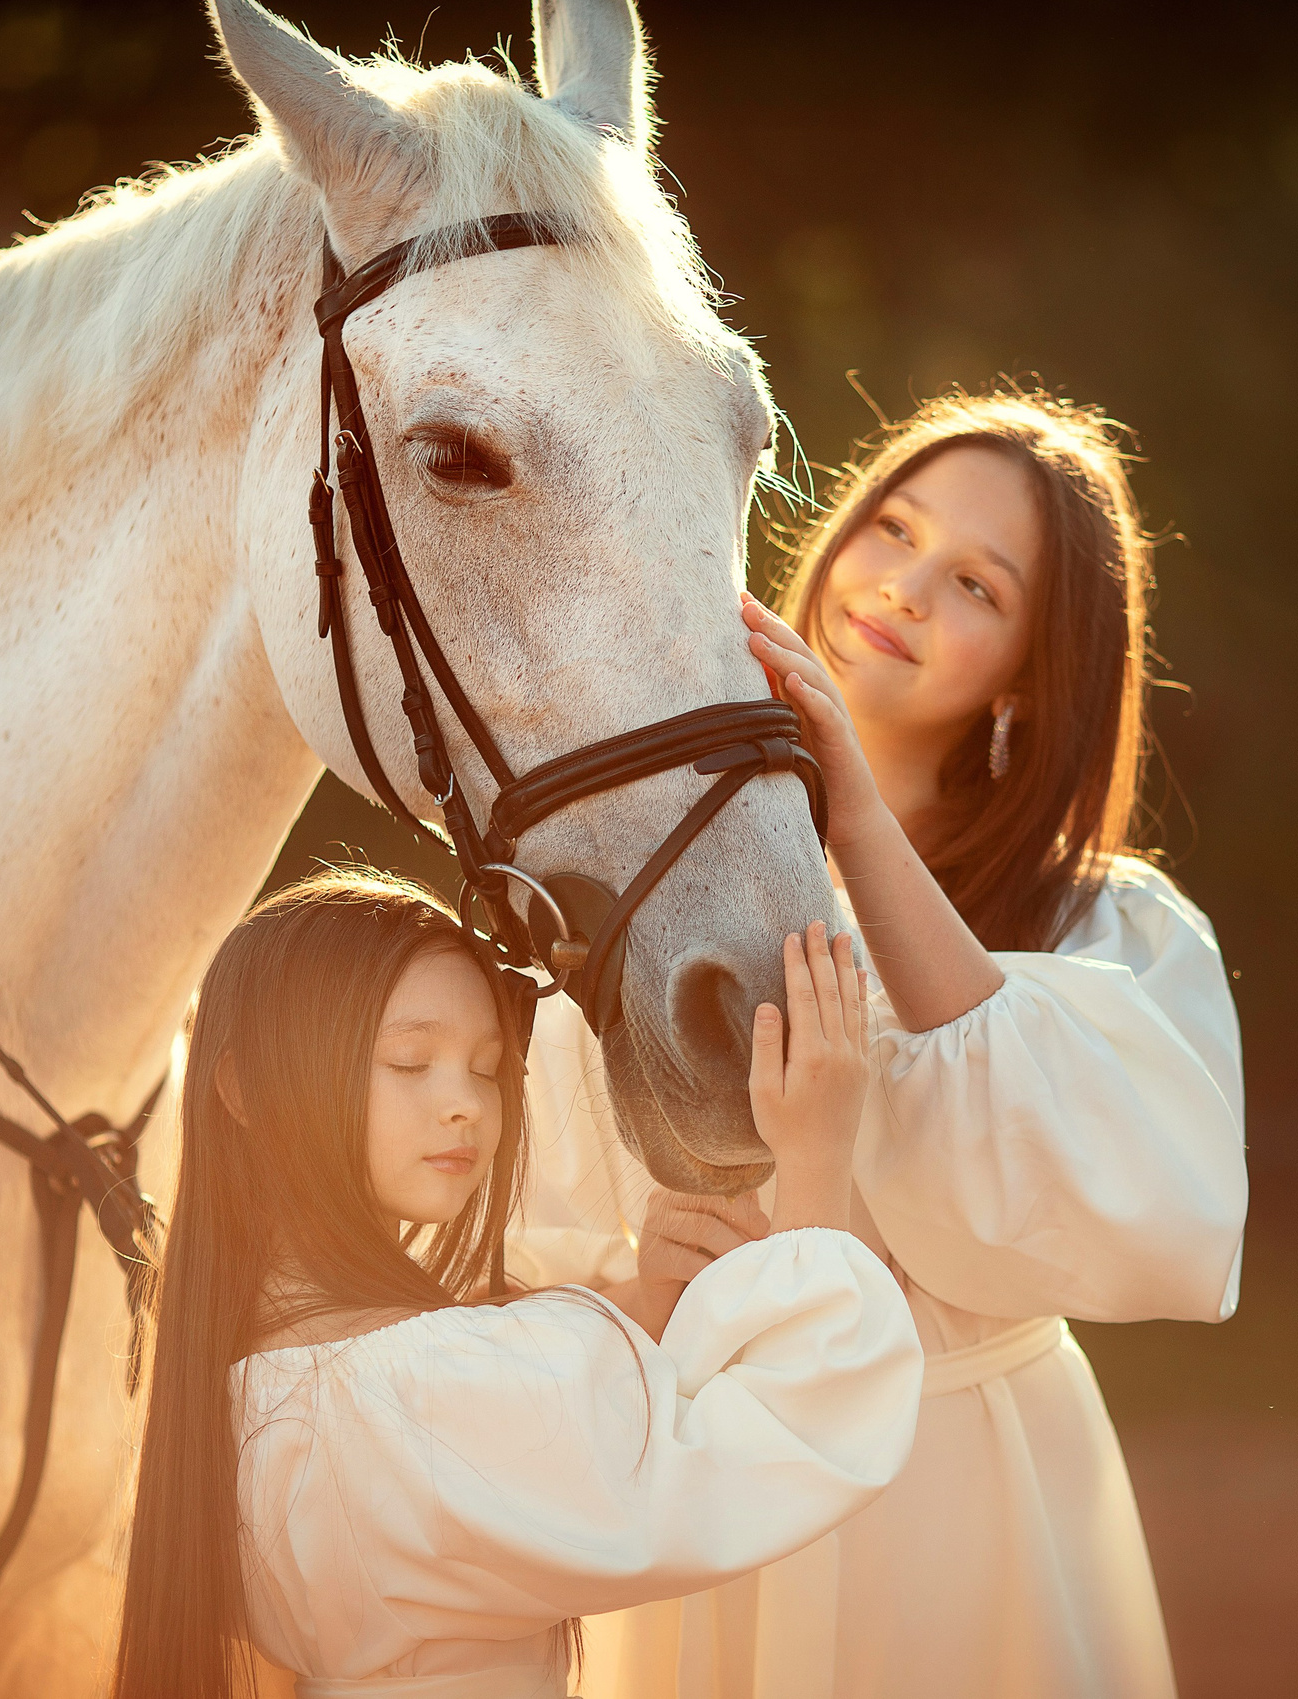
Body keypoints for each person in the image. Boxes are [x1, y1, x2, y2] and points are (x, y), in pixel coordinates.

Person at [511, 390, 1249, 1698]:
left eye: (973, 582)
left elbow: (1155, 1213)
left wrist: (849, 803)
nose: (902, 586)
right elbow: (523, 1199)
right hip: (713, 1480)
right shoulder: (660, 875)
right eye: (892, 528)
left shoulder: (1108, 921)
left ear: (1031, 666)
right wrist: (632, 1271)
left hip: (958, 1496)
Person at [112, 867, 922, 1699]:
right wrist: (818, 1158)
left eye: (487, 1065)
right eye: (410, 1060)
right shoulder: (413, 1387)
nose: (464, 1100)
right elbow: (775, 1449)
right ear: (244, 1087)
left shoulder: (241, 1384)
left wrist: (645, 1316)